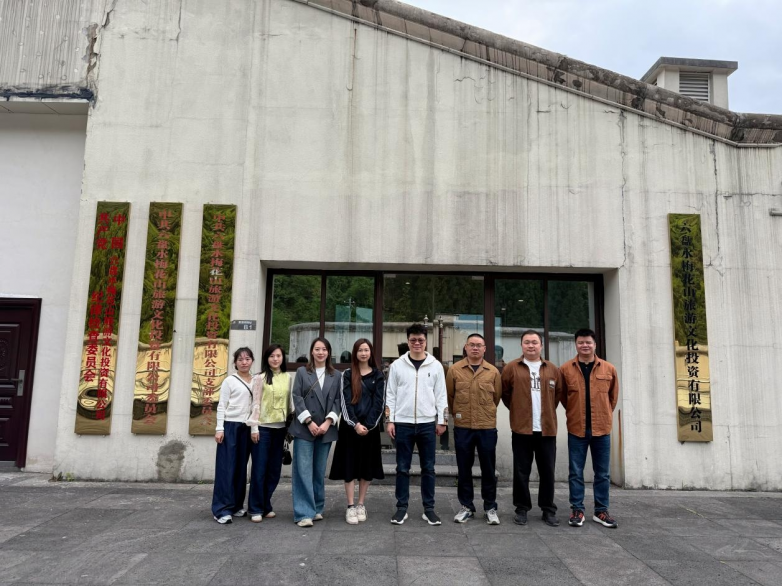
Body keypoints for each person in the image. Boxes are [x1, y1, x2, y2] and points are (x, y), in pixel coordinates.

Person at [385, 323, 447, 526]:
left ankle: (429, 509)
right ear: (408, 341)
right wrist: (390, 420)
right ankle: (401, 508)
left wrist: (442, 420)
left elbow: (441, 395)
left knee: (428, 468)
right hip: (403, 423)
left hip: (427, 423)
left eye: (420, 340)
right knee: (402, 468)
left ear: (426, 341)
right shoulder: (397, 365)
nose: (417, 343)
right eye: (413, 340)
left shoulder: (435, 366)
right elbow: (390, 395)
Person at [501, 330, 563, 527]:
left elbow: (557, 395)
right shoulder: (511, 368)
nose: (531, 345)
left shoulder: (552, 369)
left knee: (547, 472)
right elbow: (505, 394)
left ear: (541, 346)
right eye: (527, 342)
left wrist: (546, 413)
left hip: (547, 429)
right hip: (521, 429)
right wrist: (519, 411)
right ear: (521, 345)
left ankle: (548, 509)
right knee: (521, 471)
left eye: (534, 342)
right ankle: (521, 508)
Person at [560, 328, 619, 529]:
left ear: (595, 344)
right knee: (575, 472)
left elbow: (612, 398)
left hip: (602, 429)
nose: (585, 345)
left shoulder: (609, 369)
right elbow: (564, 397)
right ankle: (577, 510)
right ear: (576, 345)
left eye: (588, 342)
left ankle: (601, 511)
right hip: (576, 428)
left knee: (602, 473)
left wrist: (603, 414)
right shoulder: (566, 369)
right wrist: (575, 413)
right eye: (581, 342)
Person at [446, 333, 502, 525]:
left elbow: (496, 398)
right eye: (472, 345)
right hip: (463, 427)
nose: (475, 348)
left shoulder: (493, 372)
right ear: (466, 347)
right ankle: (466, 506)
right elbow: (450, 397)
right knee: (464, 469)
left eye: (479, 345)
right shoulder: (455, 370)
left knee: (488, 469)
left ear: (485, 349)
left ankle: (490, 507)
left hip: (486, 427)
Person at [329, 338, 386, 524]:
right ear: (355, 353)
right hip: (349, 428)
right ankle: (350, 505)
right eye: (360, 350)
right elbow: (345, 402)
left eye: (366, 350)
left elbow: (379, 403)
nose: (363, 353)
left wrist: (368, 425)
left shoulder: (378, 375)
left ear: (371, 353)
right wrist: (355, 424)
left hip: (370, 429)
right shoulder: (347, 374)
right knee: (349, 466)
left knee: (366, 467)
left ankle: (361, 503)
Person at [288, 337, 342, 527]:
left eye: (324, 349)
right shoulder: (302, 372)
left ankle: (317, 507)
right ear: (312, 351)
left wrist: (328, 422)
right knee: (303, 470)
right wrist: (309, 421)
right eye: (317, 349)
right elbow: (297, 397)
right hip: (304, 428)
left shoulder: (337, 375)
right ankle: (304, 513)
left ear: (329, 352)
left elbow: (338, 400)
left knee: (318, 471)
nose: (320, 352)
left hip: (326, 429)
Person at [245, 344, 292, 523]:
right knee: (259, 469)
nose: (275, 359)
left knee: (274, 470)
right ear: (267, 358)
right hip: (262, 428)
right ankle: (255, 508)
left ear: (283, 358)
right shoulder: (259, 378)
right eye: (272, 356)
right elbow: (255, 403)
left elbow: (289, 404)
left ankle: (266, 504)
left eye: (278, 355)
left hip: (280, 430)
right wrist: (254, 427)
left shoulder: (288, 377)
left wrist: (289, 429)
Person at [211, 347, 255, 524]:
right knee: (226, 467)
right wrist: (219, 428)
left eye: (247, 359)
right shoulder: (229, 381)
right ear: (235, 362)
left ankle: (236, 505)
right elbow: (222, 405)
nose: (244, 362)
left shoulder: (256, 381)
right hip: (230, 426)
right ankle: (221, 509)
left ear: (252, 361)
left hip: (247, 427)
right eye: (240, 359)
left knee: (241, 468)